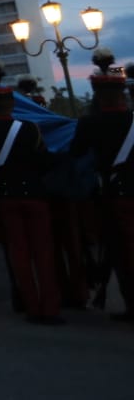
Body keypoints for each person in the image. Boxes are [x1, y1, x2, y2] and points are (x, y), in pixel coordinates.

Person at [0, 80, 62, 324]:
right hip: (34, 193)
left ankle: (31, 305)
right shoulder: (30, 129)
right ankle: (50, 307)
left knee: (18, 253)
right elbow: (44, 160)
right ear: (12, 103)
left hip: (5, 195)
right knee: (43, 252)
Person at [71, 53, 134, 320]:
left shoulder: (90, 123)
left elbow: (76, 152)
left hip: (113, 194)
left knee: (122, 251)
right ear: (122, 94)